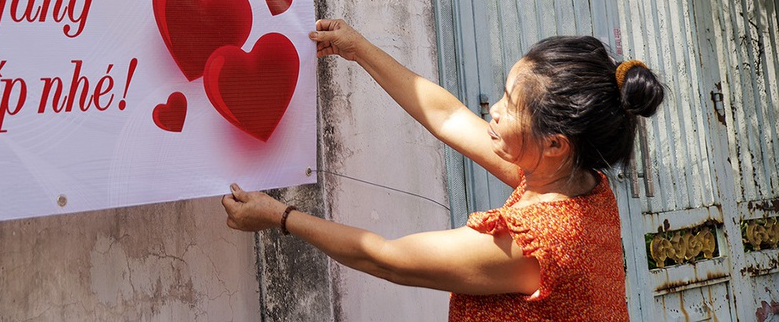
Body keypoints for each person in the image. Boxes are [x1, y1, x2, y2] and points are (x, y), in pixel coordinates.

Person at [222, 19, 665, 321]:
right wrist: (360, 49)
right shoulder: (577, 181)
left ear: (554, 143)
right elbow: (448, 116)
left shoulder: (537, 242)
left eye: (511, 105)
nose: (494, 110)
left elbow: (387, 258)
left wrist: (279, 216)